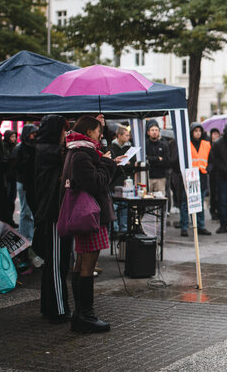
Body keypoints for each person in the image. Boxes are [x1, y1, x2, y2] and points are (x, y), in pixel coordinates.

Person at [63, 116, 117, 333]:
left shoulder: (78, 150)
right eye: (96, 131)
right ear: (87, 131)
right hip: (90, 216)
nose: (100, 135)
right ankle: (86, 315)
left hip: (86, 215)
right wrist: (107, 162)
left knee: (81, 264)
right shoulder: (81, 155)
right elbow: (96, 182)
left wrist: (109, 162)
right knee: (87, 265)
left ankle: (80, 314)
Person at [35, 115, 71, 322]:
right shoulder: (48, 151)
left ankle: (50, 306)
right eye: (63, 131)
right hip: (53, 213)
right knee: (57, 264)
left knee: (56, 263)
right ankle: (58, 310)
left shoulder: (46, 150)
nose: (65, 136)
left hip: (54, 211)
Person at [13, 124, 39, 243]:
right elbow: (16, 165)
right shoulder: (21, 148)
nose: (35, 136)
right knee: (26, 210)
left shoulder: (32, 147)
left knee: (28, 210)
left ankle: (27, 235)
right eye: (33, 134)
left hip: (29, 182)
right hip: (23, 182)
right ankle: (25, 237)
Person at [109, 125, 137, 235]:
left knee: (124, 207)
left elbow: (132, 165)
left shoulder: (130, 148)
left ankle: (124, 229)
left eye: (129, 135)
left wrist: (121, 164)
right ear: (119, 135)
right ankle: (114, 230)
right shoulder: (111, 147)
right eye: (126, 135)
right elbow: (112, 164)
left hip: (126, 181)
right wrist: (123, 164)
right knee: (114, 207)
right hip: (114, 181)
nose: (128, 137)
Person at [188, 123, 212, 235]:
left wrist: (208, 168)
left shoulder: (206, 144)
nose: (198, 133)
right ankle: (188, 225)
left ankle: (200, 225)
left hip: (202, 176)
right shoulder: (188, 144)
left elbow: (211, 159)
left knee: (200, 203)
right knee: (188, 203)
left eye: (199, 131)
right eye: (195, 131)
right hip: (190, 176)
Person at [144, 120, 170, 195]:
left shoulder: (163, 145)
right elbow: (145, 160)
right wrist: (157, 158)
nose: (154, 132)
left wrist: (150, 159)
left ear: (159, 132)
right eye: (152, 130)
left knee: (160, 199)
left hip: (160, 177)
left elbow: (166, 161)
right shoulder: (145, 145)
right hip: (148, 177)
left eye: (156, 130)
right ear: (148, 132)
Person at [2, 129, 18, 227]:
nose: (13, 139)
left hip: (13, 177)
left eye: (14, 137)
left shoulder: (15, 147)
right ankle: (5, 220)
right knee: (7, 199)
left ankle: (10, 219)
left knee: (12, 199)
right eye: (12, 137)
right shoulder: (4, 147)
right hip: (7, 177)